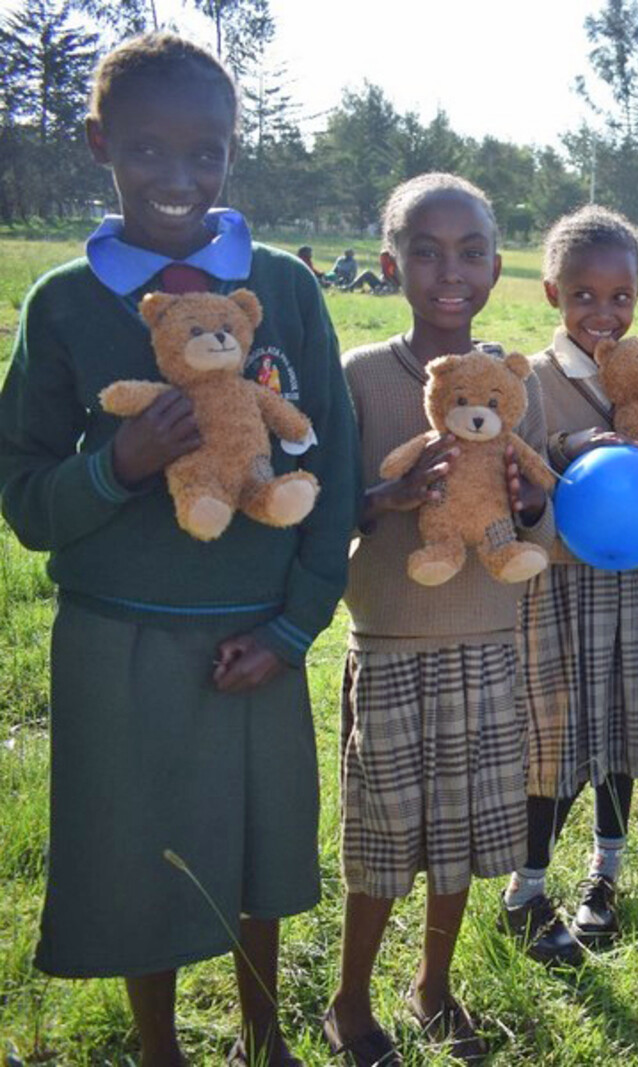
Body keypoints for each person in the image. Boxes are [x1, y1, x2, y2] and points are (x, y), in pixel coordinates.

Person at [0, 33, 357, 1066]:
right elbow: (24, 496)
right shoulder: (63, 301)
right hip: (120, 643)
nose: (178, 177)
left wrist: (295, 624)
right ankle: (158, 1046)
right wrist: (117, 462)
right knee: (135, 859)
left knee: (260, 853)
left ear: (233, 151)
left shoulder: (281, 287)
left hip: (257, 635)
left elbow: (330, 461)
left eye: (206, 152)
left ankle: (265, 1036)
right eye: (148, 150)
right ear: (98, 141)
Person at [329, 173, 549, 1063]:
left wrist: (529, 500)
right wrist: (383, 496)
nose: (446, 270)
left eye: (468, 253)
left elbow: (532, 514)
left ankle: (433, 985)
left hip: (487, 642)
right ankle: (350, 1000)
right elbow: (327, 508)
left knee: (457, 838)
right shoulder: (360, 377)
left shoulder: (505, 382)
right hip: (388, 643)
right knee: (382, 838)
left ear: (495, 270)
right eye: (425, 250)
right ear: (391, 265)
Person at [499, 205, 638, 964]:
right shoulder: (533, 379)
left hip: (628, 579)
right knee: (551, 736)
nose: (604, 314)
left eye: (621, 296)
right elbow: (516, 463)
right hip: (558, 586)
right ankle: (525, 887)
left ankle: (604, 878)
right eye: (584, 296)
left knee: (620, 730)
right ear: (552, 294)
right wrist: (573, 446)